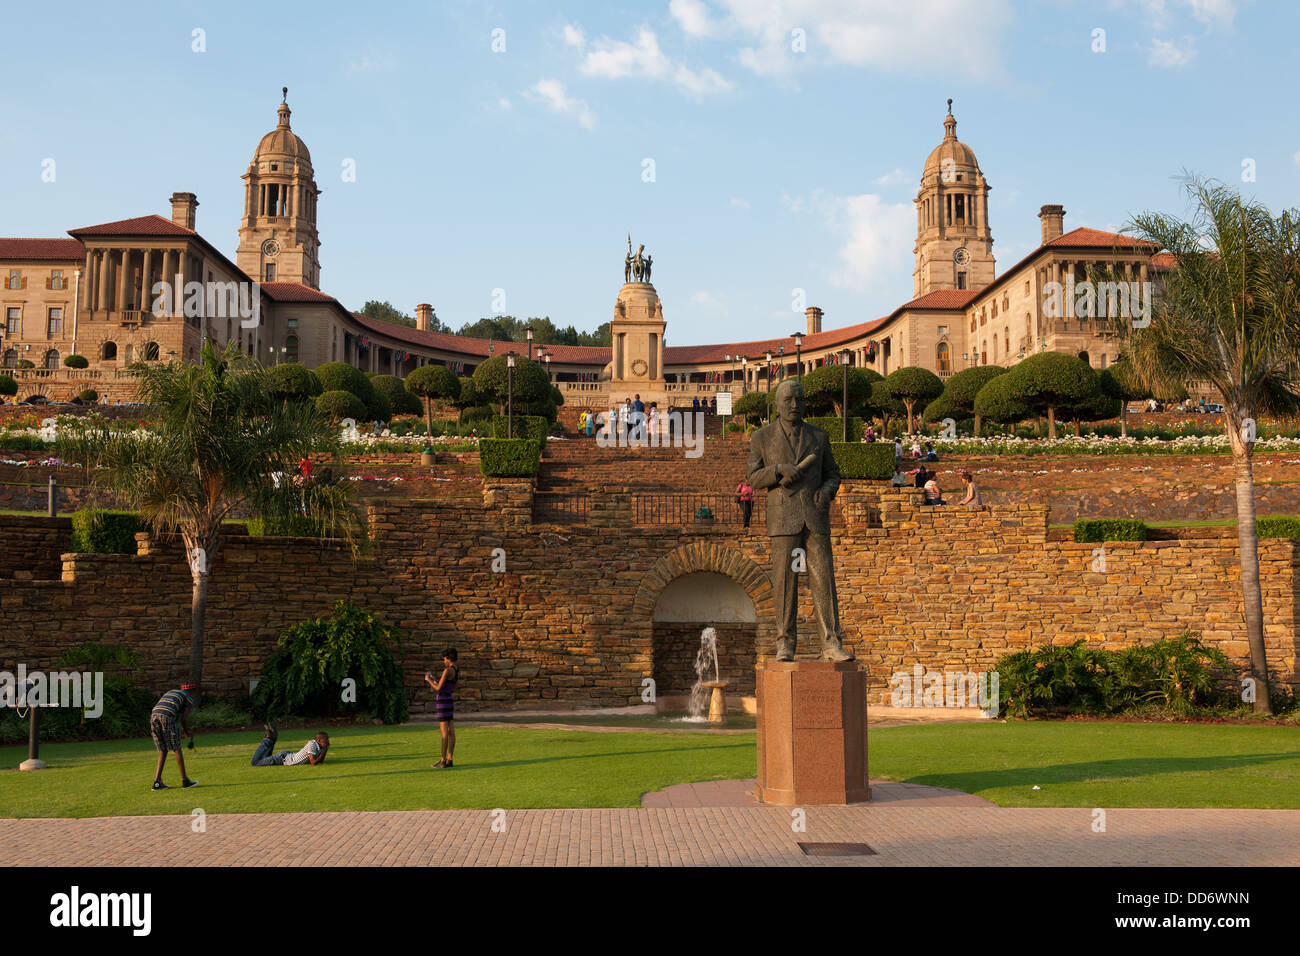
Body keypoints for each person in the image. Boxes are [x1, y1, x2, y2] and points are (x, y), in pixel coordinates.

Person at [746, 380, 853, 662]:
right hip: (783, 517)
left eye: (799, 400)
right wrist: (779, 470)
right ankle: (785, 644)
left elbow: (833, 474)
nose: (795, 405)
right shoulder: (762, 437)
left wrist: (825, 494)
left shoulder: (819, 437)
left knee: (823, 580)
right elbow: (754, 478)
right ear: (777, 404)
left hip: (815, 516)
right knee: (784, 582)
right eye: (789, 400)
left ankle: (831, 643)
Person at [150, 685, 198, 790]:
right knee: (177, 749)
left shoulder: (172, 692)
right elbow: (183, 720)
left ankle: (157, 783)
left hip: (154, 715)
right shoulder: (188, 697)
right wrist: (187, 732)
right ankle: (185, 781)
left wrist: (180, 733)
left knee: (163, 750)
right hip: (167, 717)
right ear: (192, 690)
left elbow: (169, 714)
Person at [425, 648, 459, 768]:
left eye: (444, 659)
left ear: (448, 659)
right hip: (449, 700)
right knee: (451, 732)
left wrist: (429, 680)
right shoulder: (456, 669)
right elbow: (451, 687)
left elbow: (438, 688)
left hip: (443, 702)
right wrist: (435, 681)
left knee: (444, 734)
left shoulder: (447, 670)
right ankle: (450, 759)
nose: (444, 661)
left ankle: (442, 761)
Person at [249, 722, 330, 766]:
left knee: (265, 758)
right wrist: (323, 751)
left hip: (286, 756)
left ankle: (270, 737)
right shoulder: (312, 744)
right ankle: (268, 739)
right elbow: (313, 762)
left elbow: (320, 761)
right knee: (254, 762)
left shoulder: (318, 747)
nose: (328, 742)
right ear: (318, 740)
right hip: (282, 759)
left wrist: (325, 750)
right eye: (326, 740)